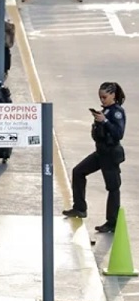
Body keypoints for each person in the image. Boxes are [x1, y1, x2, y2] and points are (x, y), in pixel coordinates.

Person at [64, 82, 127, 233]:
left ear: (113, 95)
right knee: (78, 171)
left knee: (113, 187)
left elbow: (119, 133)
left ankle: (112, 222)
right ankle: (79, 208)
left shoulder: (117, 112)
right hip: (100, 153)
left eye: (105, 97)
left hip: (110, 154)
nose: (102, 99)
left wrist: (105, 121)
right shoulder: (104, 111)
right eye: (100, 97)